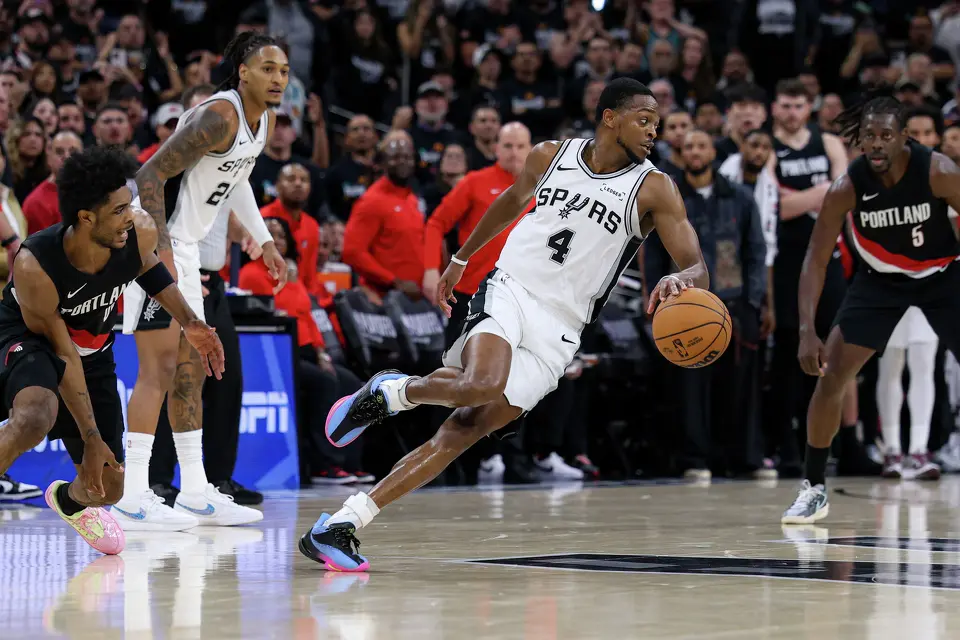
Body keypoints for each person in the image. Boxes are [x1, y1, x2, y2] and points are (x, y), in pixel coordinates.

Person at [301, 77, 708, 571]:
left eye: (656, 124)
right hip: (512, 288)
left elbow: (696, 265)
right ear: (609, 117)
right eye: (643, 120)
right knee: (481, 383)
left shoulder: (655, 188)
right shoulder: (549, 154)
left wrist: (679, 279)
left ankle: (341, 523)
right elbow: (513, 202)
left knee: (464, 429)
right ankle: (395, 393)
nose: (652, 132)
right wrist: (461, 258)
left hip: (562, 329)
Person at [0, 147, 224, 551]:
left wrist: (192, 323)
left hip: (94, 350)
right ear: (86, 217)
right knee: (36, 416)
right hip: (31, 340)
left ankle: (67, 502)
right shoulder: (36, 263)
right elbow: (63, 356)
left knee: (110, 489)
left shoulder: (137, 231)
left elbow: (149, 269)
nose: (131, 216)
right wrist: (89, 435)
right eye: (119, 210)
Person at [116, 31, 288, 530]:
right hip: (153, 243)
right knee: (159, 368)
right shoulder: (219, 116)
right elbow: (148, 176)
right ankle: (133, 496)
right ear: (243, 73)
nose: (278, 78)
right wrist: (160, 250)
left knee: (188, 367)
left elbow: (237, 182)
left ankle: (194, 491)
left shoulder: (262, 122)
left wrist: (265, 241)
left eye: (283, 71)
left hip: (185, 249)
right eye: (268, 69)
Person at [781, 93, 960, 524]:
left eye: (886, 135)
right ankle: (814, 488)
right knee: (833, 376)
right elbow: (816, 257)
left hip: (943, 276)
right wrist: (808, 328)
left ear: (904, 139)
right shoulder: (849, 186)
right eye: (868, 136)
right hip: (880, 282)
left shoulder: (938, 171)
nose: (876, 144)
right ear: (858, 140)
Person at [768, 78, 873, 477]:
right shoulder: (768, 149)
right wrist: (820, 193)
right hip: (786, 259)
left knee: (842, 351)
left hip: (829, 258)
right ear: (774, 108)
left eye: (798, 106)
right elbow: (778, 207)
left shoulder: (828, 142)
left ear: (809, 108)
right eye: (785, 105)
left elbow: (844, 197)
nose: (792, 112)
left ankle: (850, 445)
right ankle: (789, 446)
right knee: (790, 356)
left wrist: (805, 199)